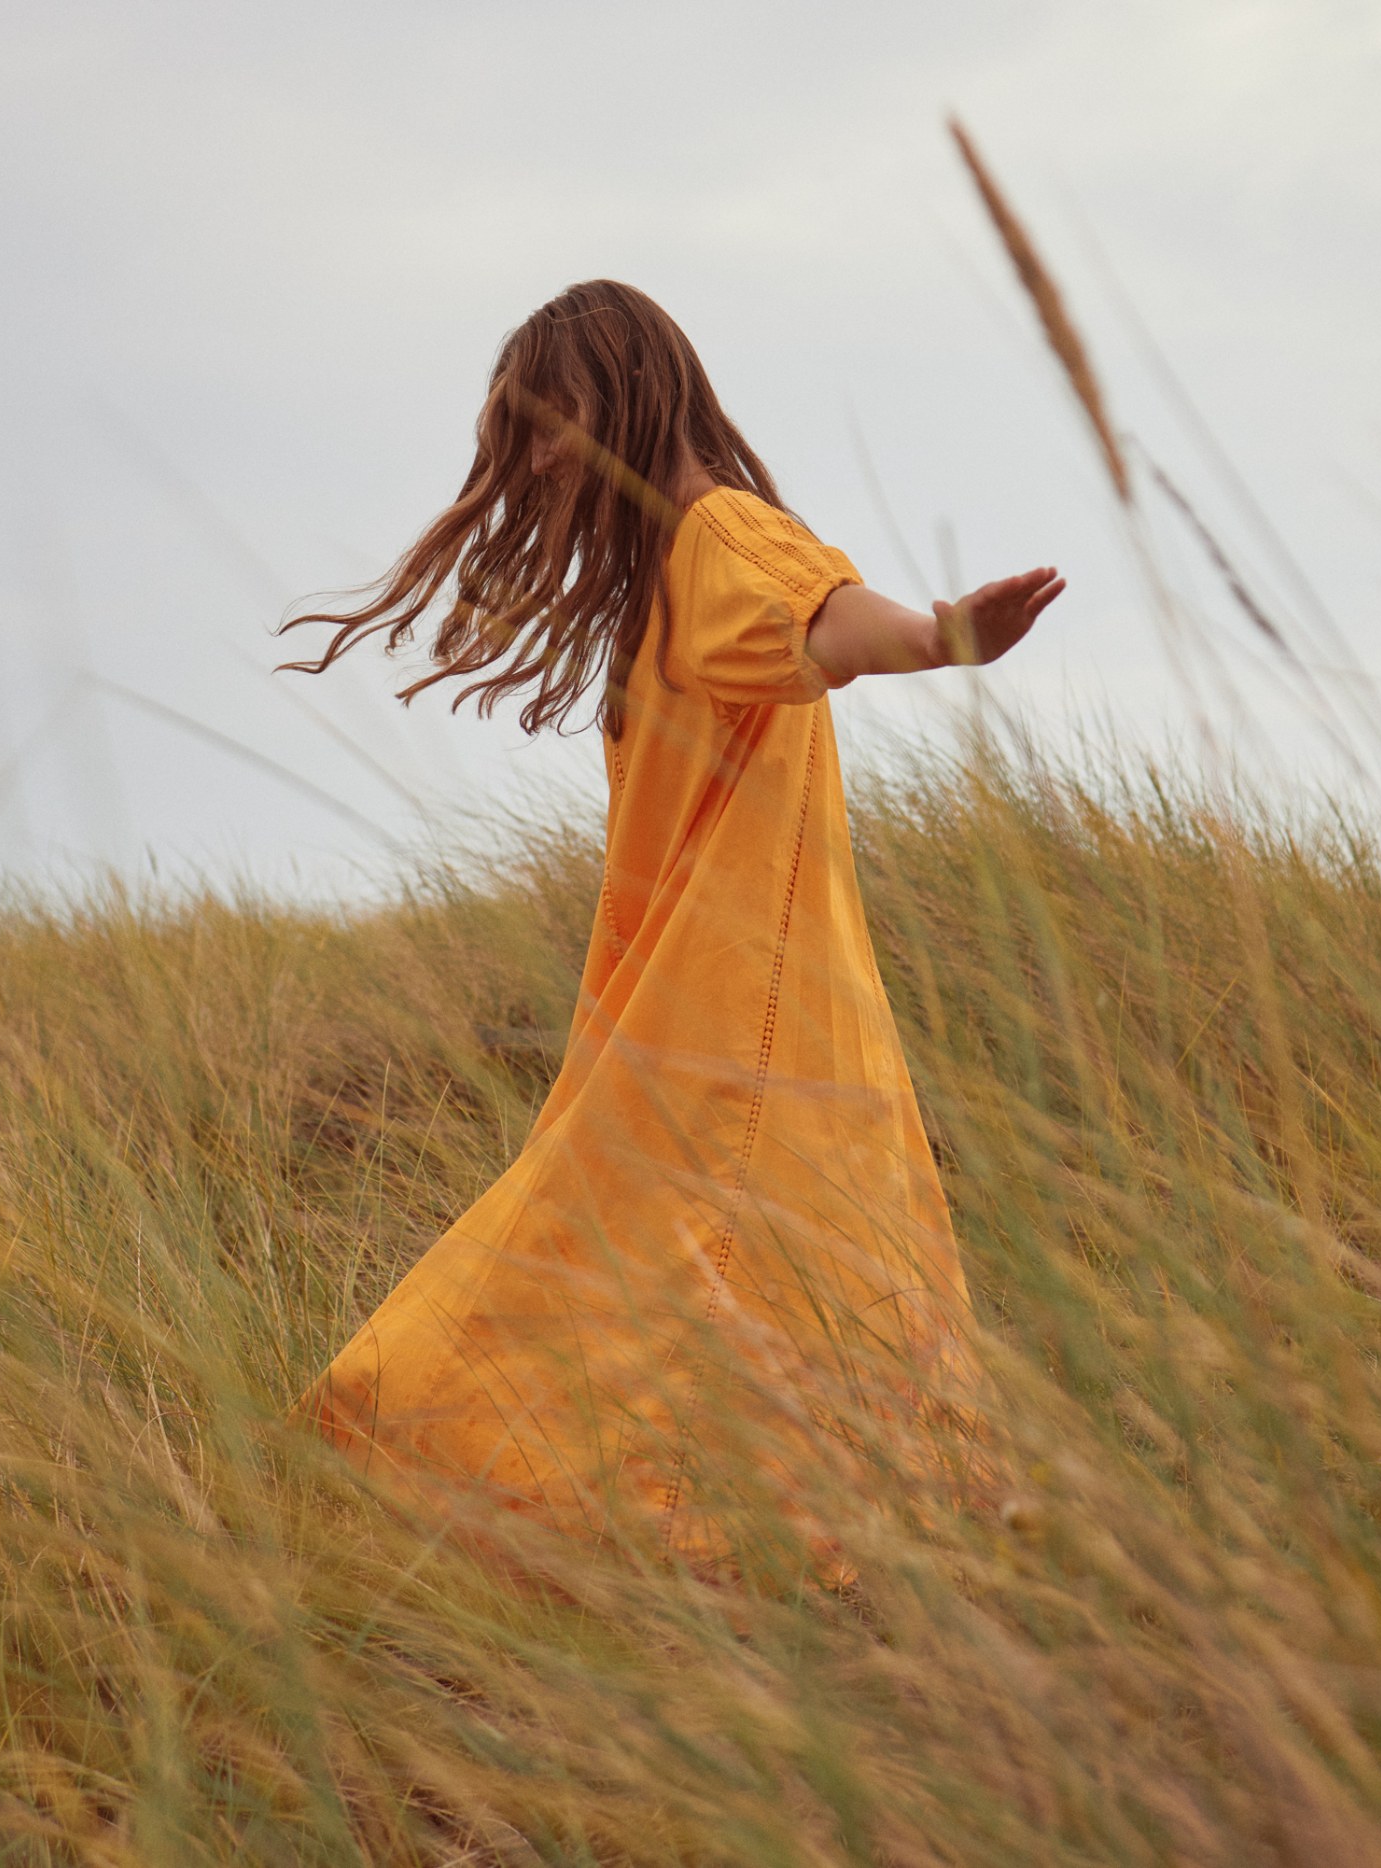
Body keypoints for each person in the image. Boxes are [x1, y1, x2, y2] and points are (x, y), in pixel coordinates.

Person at [283, 279, 1063, 1564]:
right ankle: (757, 1565)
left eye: (555, 421)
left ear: (635, 397)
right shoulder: (672, 573)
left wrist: (937, 636)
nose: (535, 458)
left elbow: (821, 622)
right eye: (519, 434)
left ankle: (666, 1557)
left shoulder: (719, 538)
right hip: (706, 1025)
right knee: (711, 1305)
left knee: (552, 1300)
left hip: (731, 1035)